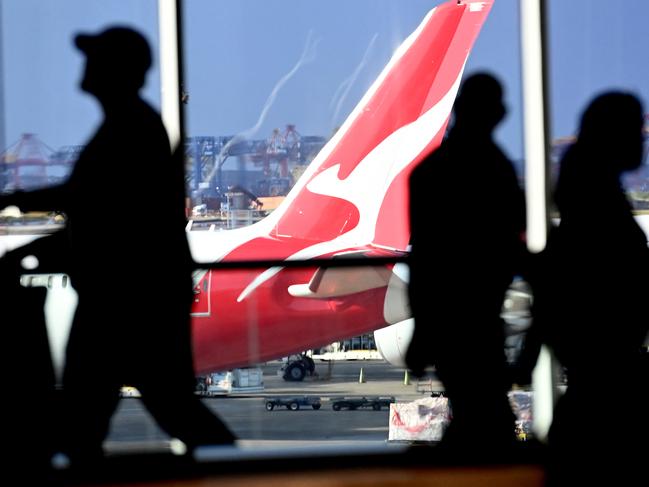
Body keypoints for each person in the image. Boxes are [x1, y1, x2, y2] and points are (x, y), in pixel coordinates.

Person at [0, 26, 235, 465]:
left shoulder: (127, 130)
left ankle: (243, 471)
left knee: (95, 412)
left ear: (115, 70)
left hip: (122, 303)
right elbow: (95, 207)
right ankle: (239, 470)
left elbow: (90, 204)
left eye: (95, 58)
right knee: (159, 409)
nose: (84, 66)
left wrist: (16, 209)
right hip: (135, 300)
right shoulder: (131, 125)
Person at [523, 92, 649, 484]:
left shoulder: (587, 209)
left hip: (591, 398)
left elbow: (551, 299)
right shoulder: (605, 219)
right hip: (610, 401)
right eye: (636, 132)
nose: (642, 143)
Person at [406, 72, 526, 451]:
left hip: (448, 322)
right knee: (489, 421)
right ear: (497, 114)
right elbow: (512, 248)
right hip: (480, 317)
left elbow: (424, 262)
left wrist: (421, 334)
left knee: (475, 415)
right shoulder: (499, 170)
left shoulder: (428, 174)